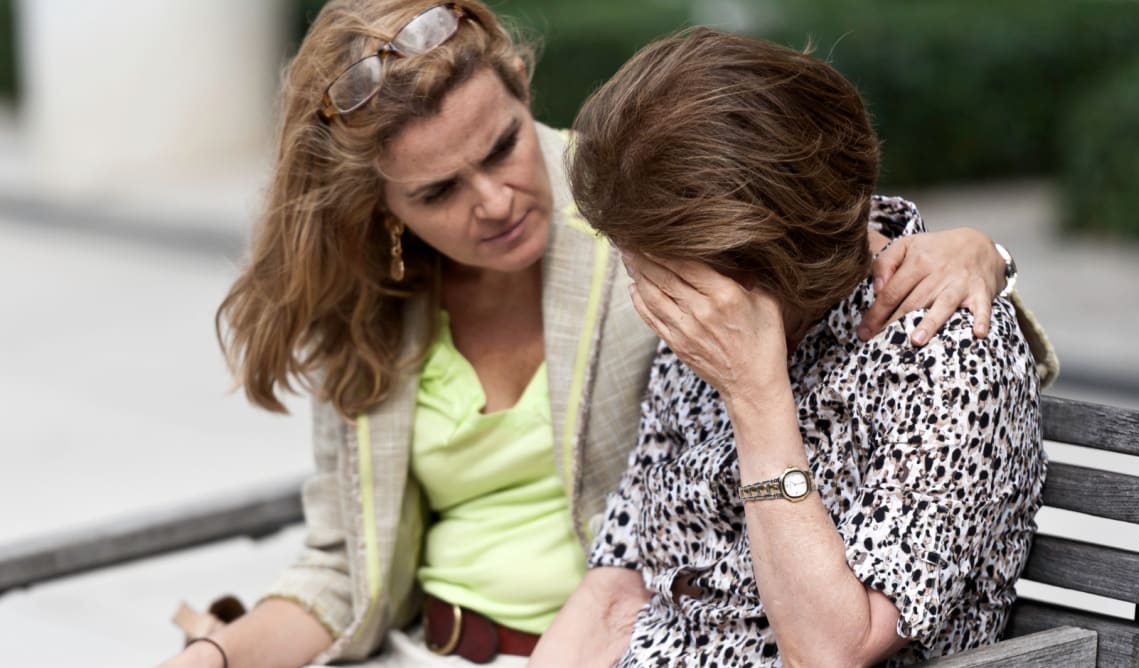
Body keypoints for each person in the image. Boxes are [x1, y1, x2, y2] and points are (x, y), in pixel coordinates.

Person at [157, 2, 1044, 667]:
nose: (497, 201)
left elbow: (828, 229)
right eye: (436, 192)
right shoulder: (396, 299)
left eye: (502, 147)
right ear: (383, 208)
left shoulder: (653, 223)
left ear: (523, 91)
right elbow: (612, 575)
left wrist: (983, 254)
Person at [532, 28, 1049, 667]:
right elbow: (617, 587)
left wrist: (757, 397)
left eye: (664, 278)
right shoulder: (702, 329)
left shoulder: (949, 354)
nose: (650, 300)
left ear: (775, 266)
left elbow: (830, 651)